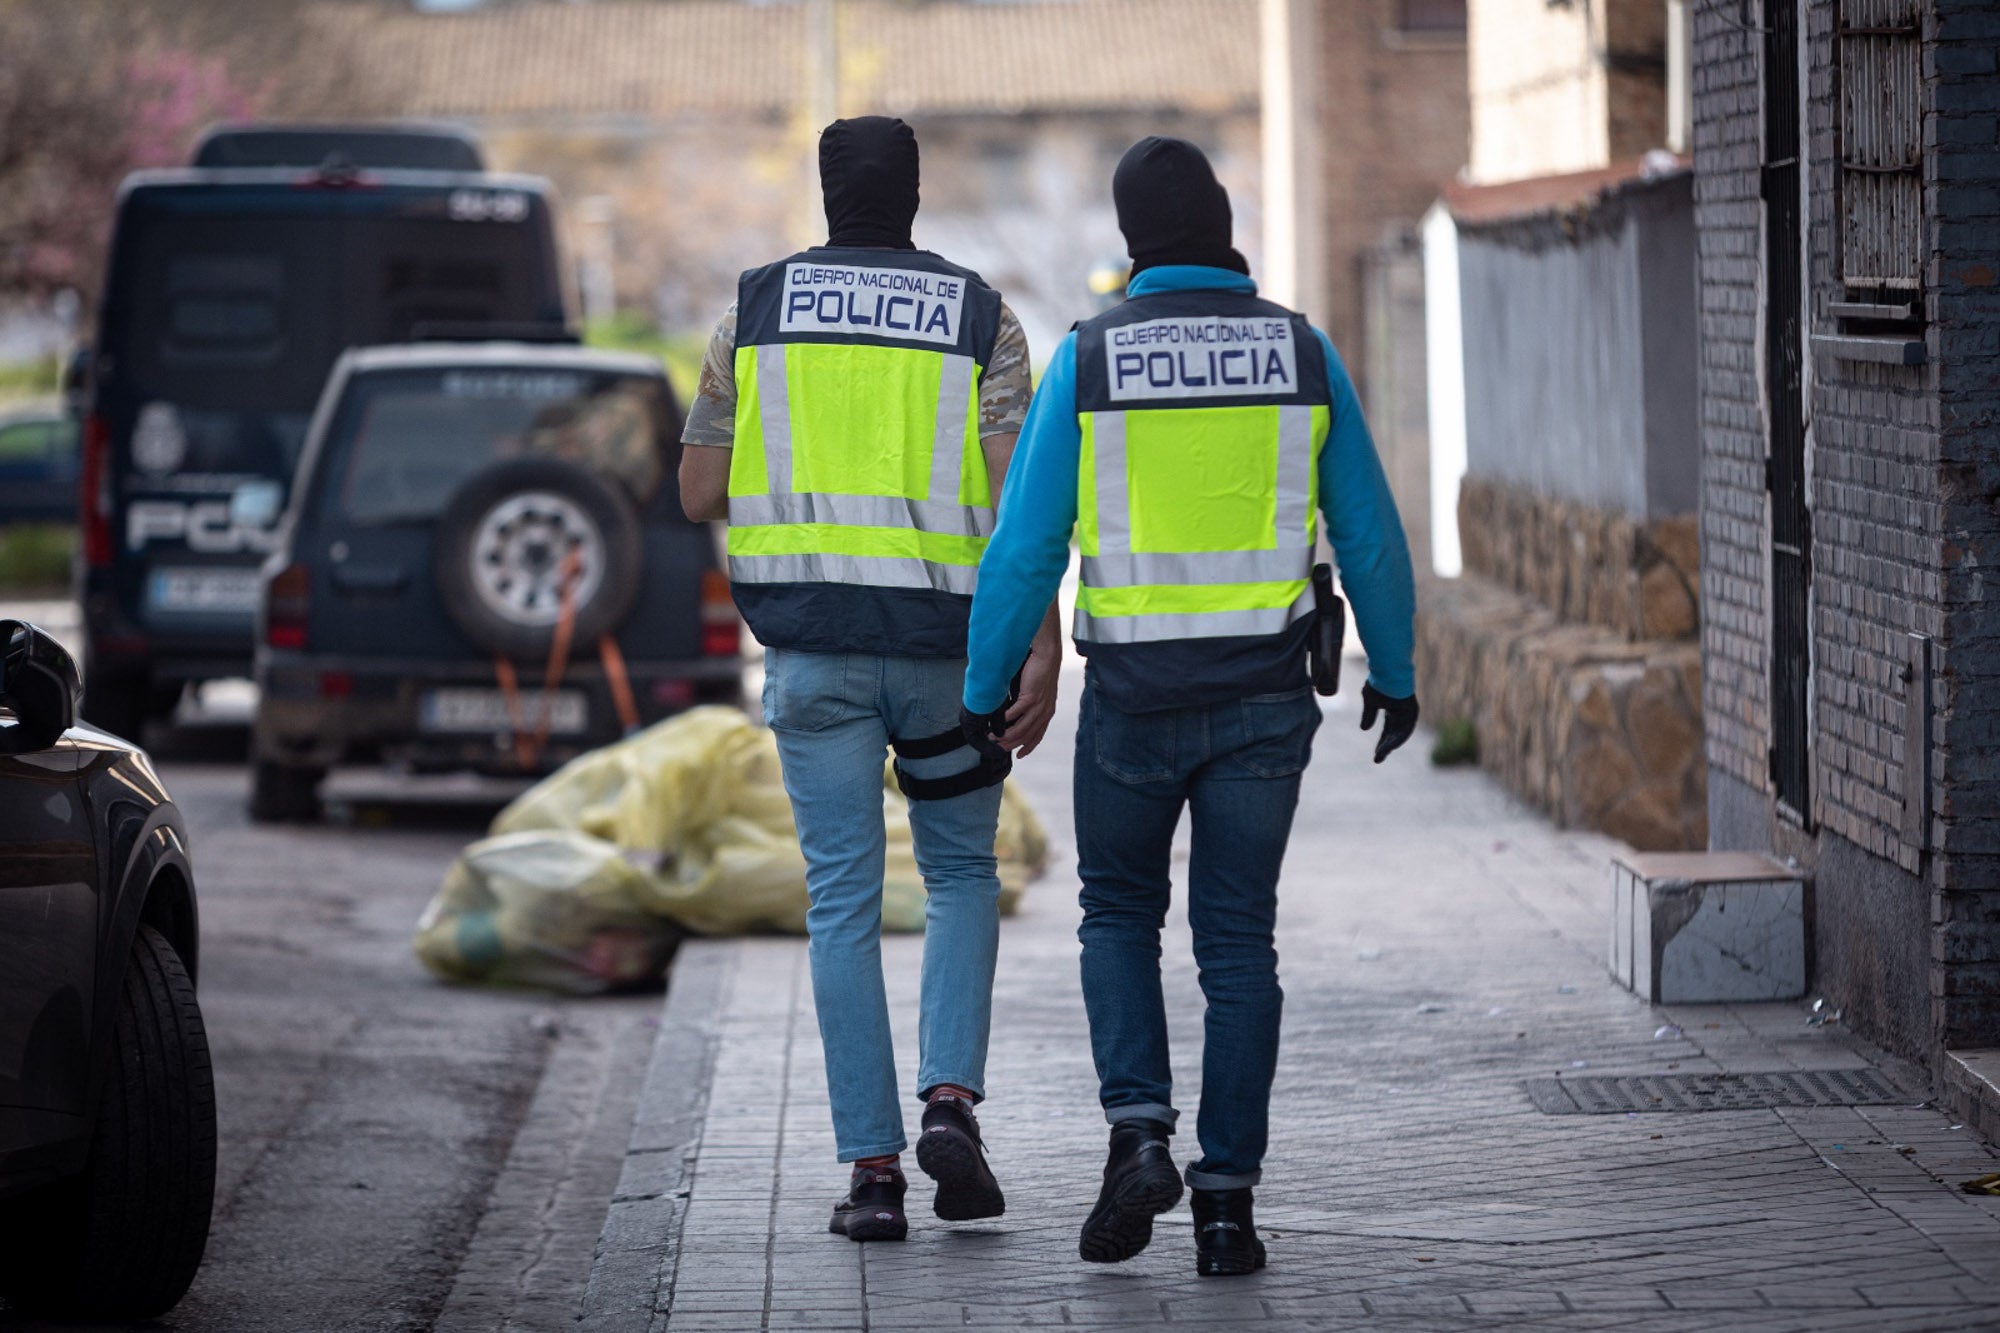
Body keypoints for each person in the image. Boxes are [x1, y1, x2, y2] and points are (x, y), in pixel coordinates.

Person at [958, 136, 1419, 1276]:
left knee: (1117, 915)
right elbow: (1366, 529)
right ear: (1219, 222)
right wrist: (1397, 671)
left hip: (1132, 705)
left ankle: (1139, 1132)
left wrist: (982, 688)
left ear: (1129, 237)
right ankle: (1225, 1207)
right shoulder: (1299, 350)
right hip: (1263, 703)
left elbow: (1023, 548)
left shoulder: (1089, 357)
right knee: (1237, 944)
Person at [677, 116, 1060, 1243]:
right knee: (958, 879)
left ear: (827, 194)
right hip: (951, 660)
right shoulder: (980, 317)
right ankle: (951, 1100)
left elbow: (699, 489)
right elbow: (1020, 504)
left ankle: (876, 1172)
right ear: (915, 195)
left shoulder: (749, 313)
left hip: (812, 659)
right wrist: (1039, 645)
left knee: (842, 902)